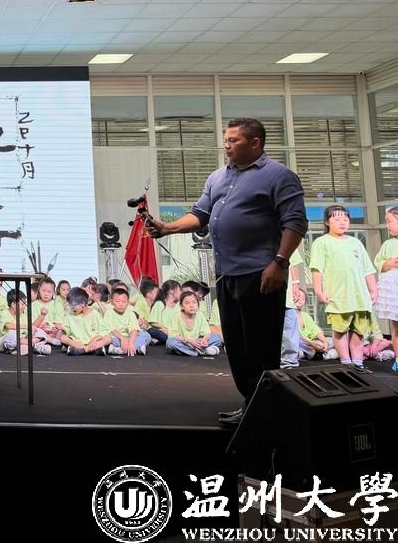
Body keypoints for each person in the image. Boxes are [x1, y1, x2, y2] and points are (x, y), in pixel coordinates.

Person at [148, 117, 307, 427]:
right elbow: (199, 215)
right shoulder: (218, 177)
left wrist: (280, 262)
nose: (226, 145)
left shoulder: (279, 176)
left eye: (234, 140)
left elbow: (296, 222)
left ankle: (265, 413)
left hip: (261, 274)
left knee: (261, 346)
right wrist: (167, 228)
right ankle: (251, 405)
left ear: (255, 143)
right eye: (226, 139)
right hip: (227, 274)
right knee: (236, 345)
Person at [310, 204, 377, 373]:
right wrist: (318, 291)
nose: (342, 222)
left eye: (345, 218)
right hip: (337, 296)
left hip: (359, 296)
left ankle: (358, 363)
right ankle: (346, 364)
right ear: (327, 222)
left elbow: (368, 270)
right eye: (337, 218)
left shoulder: (356, 243)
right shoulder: (321, 242)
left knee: (359, 331)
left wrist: (373, 290)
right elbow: (317, 269)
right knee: (340, 330)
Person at [373, 205, 398, 373]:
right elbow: (378, 263)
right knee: (397, 327)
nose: (387, 225)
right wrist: (387, 264)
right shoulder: (388, 244)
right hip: (394, 290)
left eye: (389, 221)